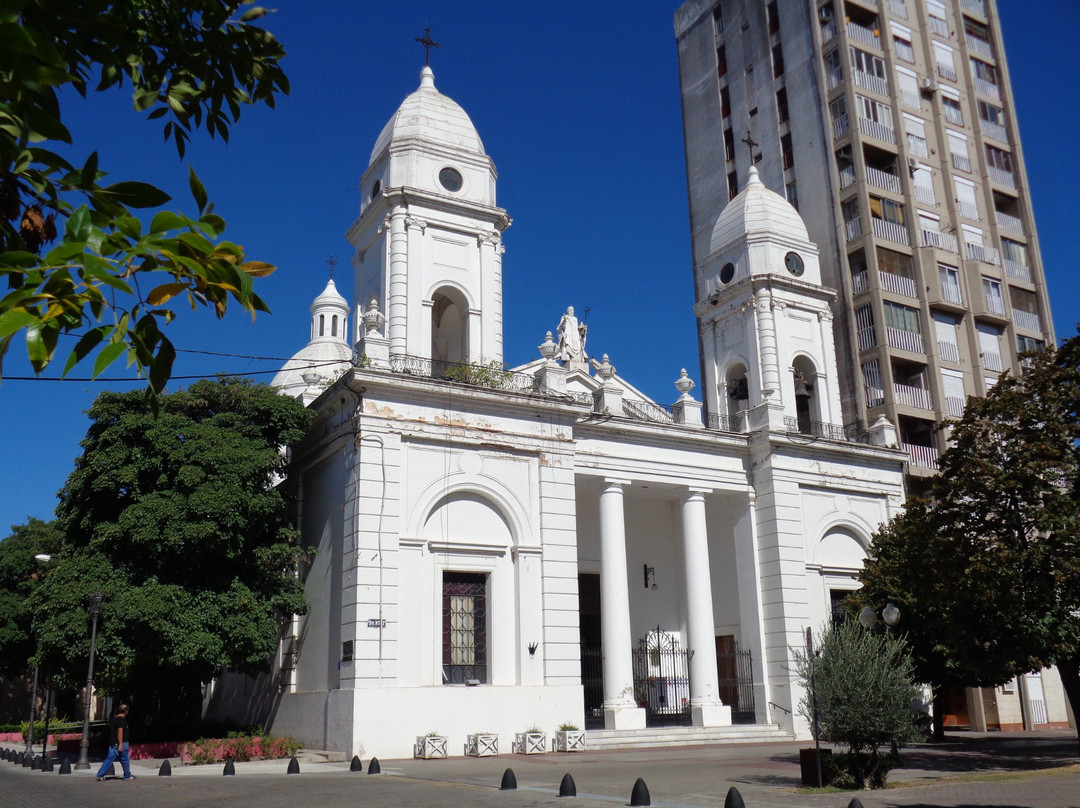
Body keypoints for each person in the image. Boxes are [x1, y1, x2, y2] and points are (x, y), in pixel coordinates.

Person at [95, 703, 135, 781]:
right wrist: (120, 744)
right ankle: (127, 775)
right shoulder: (122, 720)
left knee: (109, 759)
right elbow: (120, 731)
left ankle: (99, 775)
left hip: (113, 743)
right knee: (125, 759)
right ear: (126, 711)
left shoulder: (114, 719)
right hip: (121, 743)